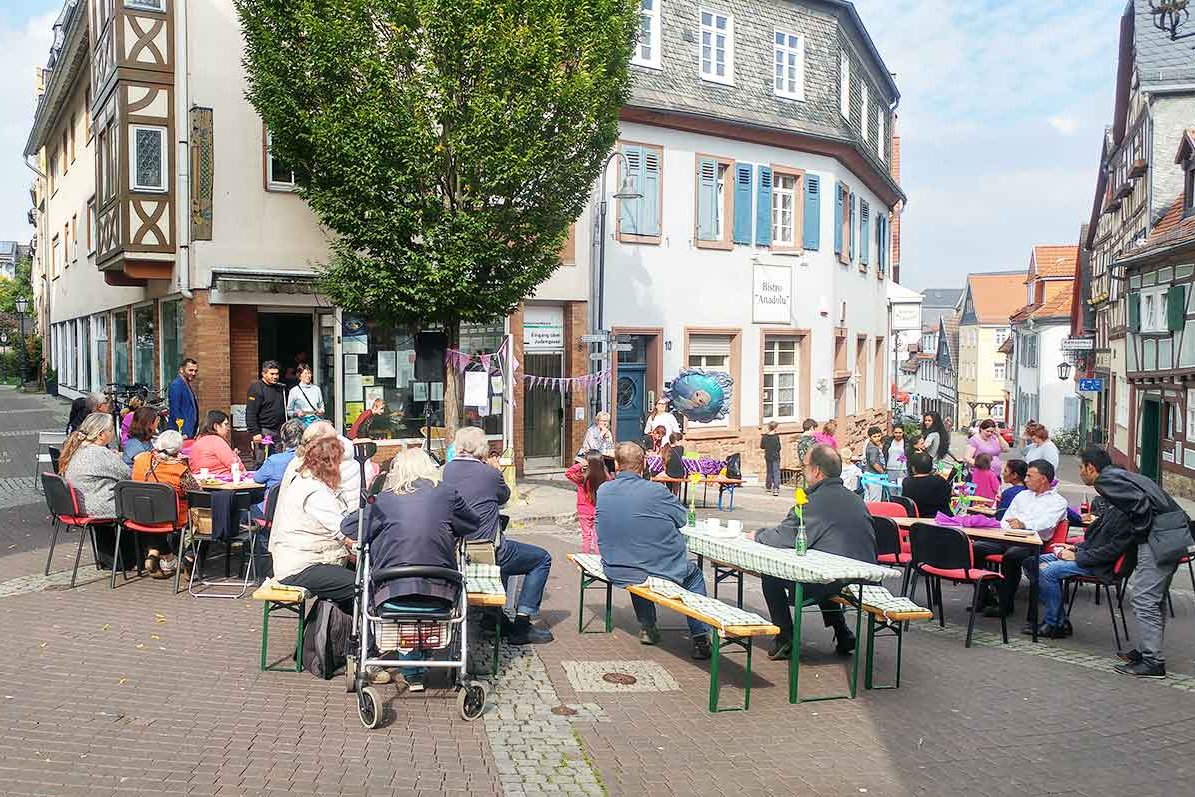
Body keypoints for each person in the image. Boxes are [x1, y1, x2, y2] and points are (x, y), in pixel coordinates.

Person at [344, 447, 480, 692]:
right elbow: (472, 523)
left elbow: (351, 527)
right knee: (423, 604)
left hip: (390, 588)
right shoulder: (447, 494)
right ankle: (417, 668)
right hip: (442, 589)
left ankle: (411, 670)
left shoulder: (384, 500)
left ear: (396, 471)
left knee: (405, 605)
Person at [748, 444, 876, 660]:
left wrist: (757, 534)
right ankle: (842, 633)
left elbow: (784, 537)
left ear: (816, 470)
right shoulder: (855, 498)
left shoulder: (814, 501)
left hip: (838, 576)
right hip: (865, 573)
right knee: (827, 575)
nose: (803, 470)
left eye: (804, 465)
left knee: (771, 574)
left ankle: (784, 638)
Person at [594, 442, 712, 659]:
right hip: (649, 566)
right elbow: (682, 518)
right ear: (644, 464)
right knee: (694, 576)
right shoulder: (656, 490)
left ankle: (648, 627)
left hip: (615, 565)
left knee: (637, 565)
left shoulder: (604, 490)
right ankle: (701, 636)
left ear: (617, 465)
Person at [441, 426, 553, 645]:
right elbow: (504, 497)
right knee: (541, 558)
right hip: (486, 551)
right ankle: (522, 625)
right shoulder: (490, 474)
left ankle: (493, 617)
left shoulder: (446, 470)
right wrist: (495, 470)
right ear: (481, 449)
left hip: (454, 550)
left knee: (505, 552)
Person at [1088, 449, 1189, 677]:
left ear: (1090, 468)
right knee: (1155, 598)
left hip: (1157, 538)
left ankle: (1153, 661)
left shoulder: (1105, 480)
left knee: (1144, 598)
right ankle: (1147, 649)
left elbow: (1140, 505)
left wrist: (1140, 534)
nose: (1081, 473)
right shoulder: (1128, 476)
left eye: (1081, 468)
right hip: (1172, 533)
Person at [1025, 448, 1135, 639]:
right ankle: (1059, 620)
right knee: (1031, 562)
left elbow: (1111, 551)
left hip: (1100, 565)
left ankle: (1053, 623)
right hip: (1087, 555)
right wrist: (1075, 547)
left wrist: (1078, 555)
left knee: (1047, 571)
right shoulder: (1113, 507)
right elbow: (1096, 540)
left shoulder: (1127, 513)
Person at [970, 460, 1068, 619]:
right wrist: (1008, 528)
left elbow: (1047, 524)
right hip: (1008, 537)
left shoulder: (1058, 501)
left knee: (1012, 556)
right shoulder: (1022, 495)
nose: (1026, 479)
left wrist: (1024, 524)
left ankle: (1005, 605)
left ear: (1043, 479)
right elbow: (1006, 519)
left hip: (1033, 542)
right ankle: (983, 596)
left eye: (1030, 476)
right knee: (977, 548)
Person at [269, 435, 355, 610]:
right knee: (362, 584)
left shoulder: (310, 481)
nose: (343, 468)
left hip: (306, 560)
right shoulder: (315, 492)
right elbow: (344, 532)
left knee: (359, 574)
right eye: (340, 463)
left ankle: (338, 629)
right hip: (300, 566)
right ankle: (344, 632)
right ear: (329, 464)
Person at [60, 413, 132, 569]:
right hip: (100, 506)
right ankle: (141, 556)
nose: (113, 433)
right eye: (111, 430)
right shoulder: (100, 453)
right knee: (140, 505)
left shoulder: (76, 449)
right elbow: (127, 475)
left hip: (80, 504)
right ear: (101, 434)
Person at [130, 430, 199, 580]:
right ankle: (189, 557)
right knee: (206, 518)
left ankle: (153, 554)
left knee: (157, 518)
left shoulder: (141, 460)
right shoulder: (180, 470)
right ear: (179, 450)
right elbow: (196, 492)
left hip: (141, 513)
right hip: (173, 518)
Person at [252, 419, 305, 520]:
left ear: (283, 439)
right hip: (299, 511)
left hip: (274, 510)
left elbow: (257, 479)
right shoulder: (310, 460)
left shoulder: (274, 461)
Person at [565, 450, 611, 555]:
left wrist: (580, 465)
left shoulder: (582, 478)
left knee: (586, 536)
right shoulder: (605, 478)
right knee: (597, 536)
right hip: (598, 510)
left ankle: (585, 557)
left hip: (584, 511)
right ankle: (598, 558)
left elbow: (568, 473)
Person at [246, 359, 286, 468]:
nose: (275, 377)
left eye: (277, 374)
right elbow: (250, 412)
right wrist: (255, 432)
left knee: (278, 461)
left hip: (278, 430)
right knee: (261, 461)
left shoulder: (279, 388)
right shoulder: (256, 388)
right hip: (263, 430)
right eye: (272, 374)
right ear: (263, 374)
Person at [188, 410, 247, 478]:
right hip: (221, 483)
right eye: (226, 424)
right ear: (216, 426)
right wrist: (235, 457)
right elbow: (235, 466)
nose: (228, 428)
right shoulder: (216, 441)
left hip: (201, 483)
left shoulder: (198, 441)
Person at [901, 452, 953, 518]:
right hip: (941, 520)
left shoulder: (907, 482)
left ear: (913, 468)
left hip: (917, 521)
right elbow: (949, 497)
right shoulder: (939, 481)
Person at [167, 358, 200, 438]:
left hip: (189, 431)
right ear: (181, 370)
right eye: (190, 370)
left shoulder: (186, 384)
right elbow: (175, 410)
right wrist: (181, 432)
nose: (193, 373)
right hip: (181, 433)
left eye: (195, 371)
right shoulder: (177, 385)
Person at [863, 426, 887, 501]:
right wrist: (883, 472)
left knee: (868, 499)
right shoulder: (873, 448)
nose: (877, 438)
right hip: (874, 476)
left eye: (879, 436)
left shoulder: (871, 445)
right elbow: (873, 462)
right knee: (875, 500)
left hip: (868, 474)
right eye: (874, 437)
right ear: (870, 437)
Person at [884, 425, 908, 496]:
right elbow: (885, 453)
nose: (898, 435)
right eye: (896, 432)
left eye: (900, 432)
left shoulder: (906, 442)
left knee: (901, 489)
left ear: (903, 432)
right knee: (891, 490)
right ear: (893, 433)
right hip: (890, 469)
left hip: (902, 469)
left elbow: (908, 454)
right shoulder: (889, 442)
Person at [760, 421, 782, 497]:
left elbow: (762, 446)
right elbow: (779, 447)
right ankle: (776, 488)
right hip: (775, 456)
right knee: (776, 472)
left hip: (768, 456)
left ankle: (768, 487)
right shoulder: (776, 437)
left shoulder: (764, 436)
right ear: (775, 427)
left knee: (769, 472)